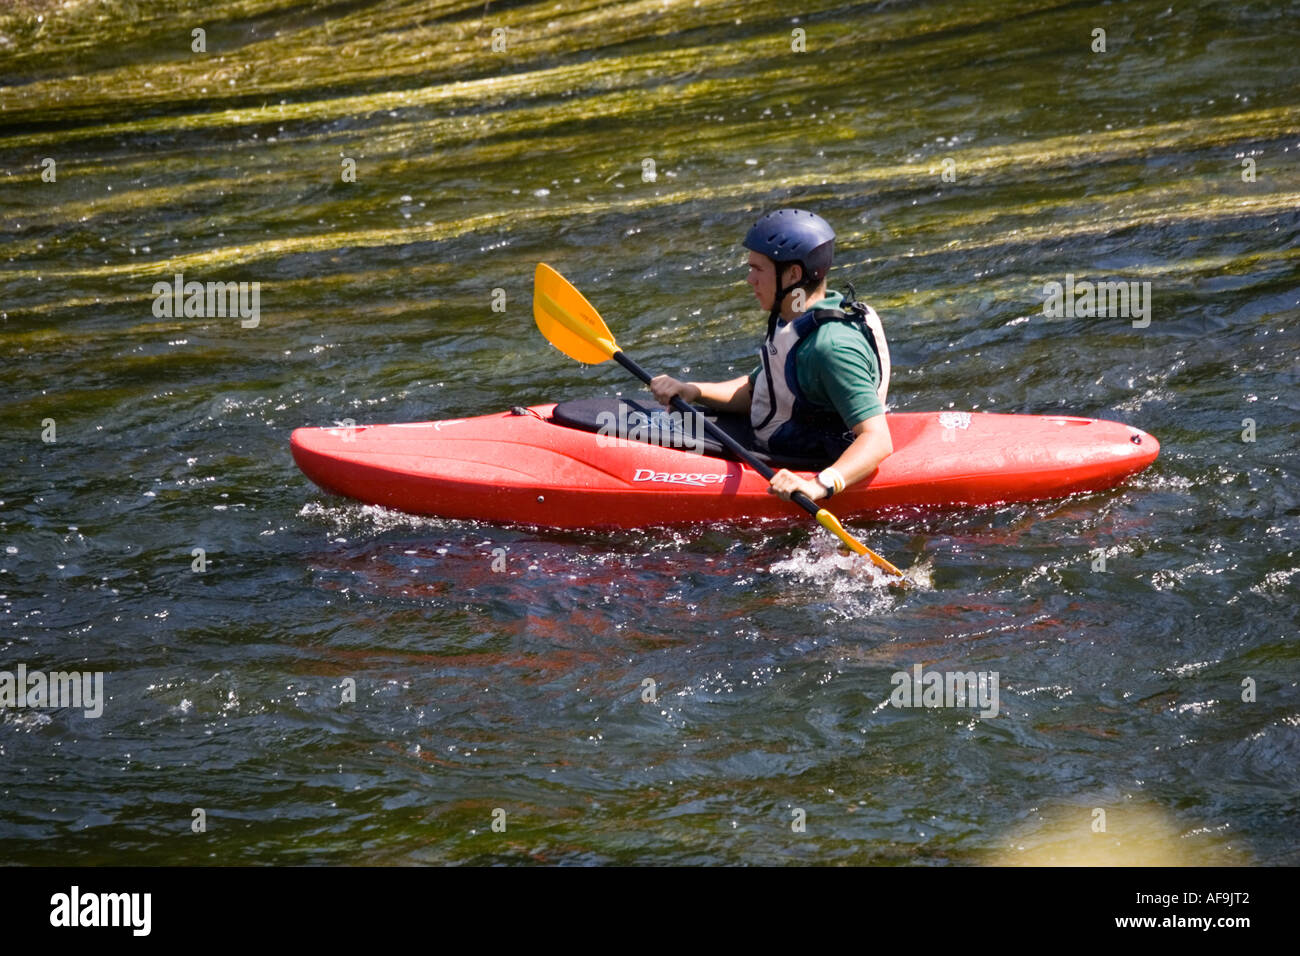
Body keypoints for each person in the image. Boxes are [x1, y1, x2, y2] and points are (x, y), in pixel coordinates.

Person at [649, 208, 893, 504]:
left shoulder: (832, 348)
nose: (750, 279)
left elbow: (877, 439)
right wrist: (692, 390)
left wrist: (818, 485)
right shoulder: (794, 317)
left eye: (758, 269)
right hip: (776, 442)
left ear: (793, 274)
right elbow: (758, 391)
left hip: (808, 462)